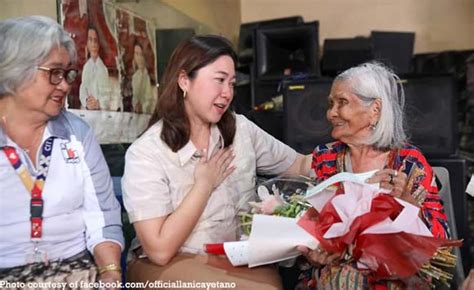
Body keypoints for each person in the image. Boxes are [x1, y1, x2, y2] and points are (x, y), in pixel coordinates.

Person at [122, 35, 312, 289]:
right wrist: (204, 184)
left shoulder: (241, 129)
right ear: (184, 81)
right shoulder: (146, 152)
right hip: (168, 262)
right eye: (219, 80)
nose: (227, 93)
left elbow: (299, 165)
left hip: (231, 255)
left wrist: (355, 155)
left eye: (232, 83)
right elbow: (159, 250)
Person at [296, 62, 450, 289]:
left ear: (375, 110)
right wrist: (313, 252)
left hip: (397, 275)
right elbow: (311, 223)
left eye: (342, 103)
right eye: (331, 104)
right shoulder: (325, 158)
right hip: (332, 273)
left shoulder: (408, 163)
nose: (331, 113)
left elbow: (442, 243)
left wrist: (408, 204)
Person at [0, 16, 123, 288]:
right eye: (54, 73)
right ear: (14, 71)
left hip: (78, 272)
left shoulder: (76, 133)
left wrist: (110, 274)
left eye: (67, 73)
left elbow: (102, 217)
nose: (65, 85)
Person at [79, 26, 110, 110]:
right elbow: (82, 91)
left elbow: (107, 96)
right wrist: (87, 102)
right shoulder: (86, 67)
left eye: (95, 40)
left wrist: (98, 103)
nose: (93, 43)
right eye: (90, 39)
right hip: (88, 112)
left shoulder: (103, 69)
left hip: (101, 113)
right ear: (87, 43)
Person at [131, 42, 154, 114]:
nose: (139, 58)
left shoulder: (149, 77)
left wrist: (143, 108)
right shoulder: (135, 76)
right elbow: (134, 97)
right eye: (136, 54)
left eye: (141, 55)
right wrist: (136, 105)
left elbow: (150, 100)